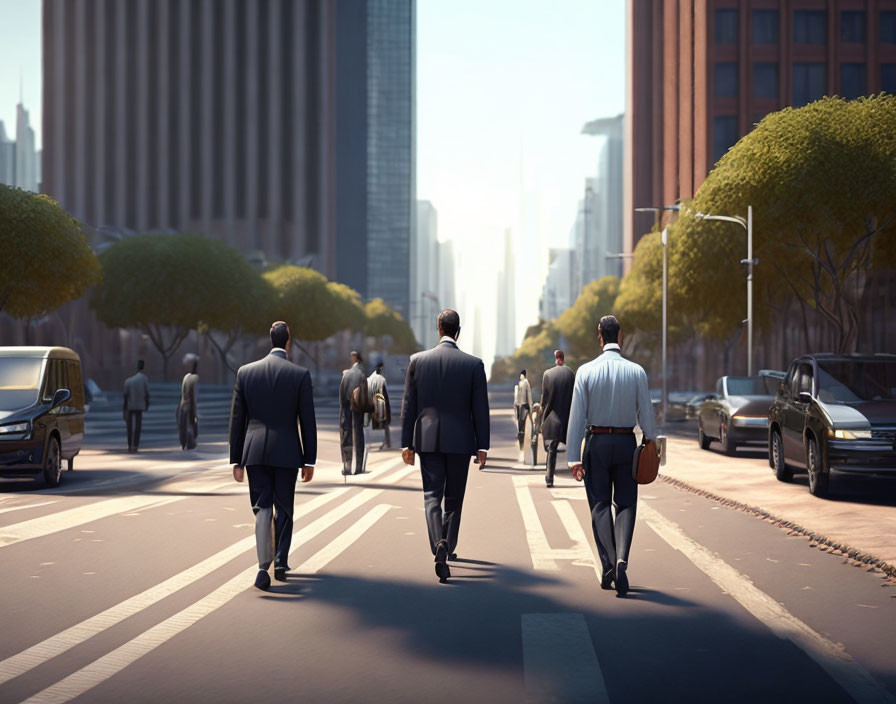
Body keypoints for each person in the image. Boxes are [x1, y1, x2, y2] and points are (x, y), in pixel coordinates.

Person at [567, 315, 657, 596]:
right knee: (627, 503)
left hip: (596, 443)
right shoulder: (637, 372)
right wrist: (651, 444)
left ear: (599, 335)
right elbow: (647, 416)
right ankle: (620, 561)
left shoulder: (585, 371)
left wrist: (573, 457)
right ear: (620, 336)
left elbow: (577, 416)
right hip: (627, 443)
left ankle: (608, 562)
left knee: (600, 505)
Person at [401, 309, 490, 583]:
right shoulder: (473, 365)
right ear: (458, 331)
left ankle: (437, 544)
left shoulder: (417, 361)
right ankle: (447, 547)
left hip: (427, 440)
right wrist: (482, 446)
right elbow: (480, 409)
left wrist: (407, 443)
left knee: (431, 496)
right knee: (454, 498)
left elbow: (409, 406)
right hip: (461, 441)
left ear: (438, 328)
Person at [229, 321, 317, 591]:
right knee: (285, 509)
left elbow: (237, 420)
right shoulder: (300, 374)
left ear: (270, 339)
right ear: (288, 341)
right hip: (287, 451)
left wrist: (236, 459)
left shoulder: (245, 373)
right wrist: (309, 459)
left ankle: (262, 566)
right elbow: (307, 421)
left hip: (254, 450)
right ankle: (280, 561)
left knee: (262, 508)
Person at [541, 349, 576, 488]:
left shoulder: (548, 374)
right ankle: (579, 474)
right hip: (568, 416)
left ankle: (549, 478)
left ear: (555, 358)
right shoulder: (571, 374)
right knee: (574, 447)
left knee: (552, 450)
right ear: (563, 358)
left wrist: (542, 420)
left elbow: (544, 400)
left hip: (553, 417)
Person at [339, 351, 367, 475]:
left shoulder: (346, 375)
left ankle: (347, 466)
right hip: (358, 411)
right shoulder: (362, 375)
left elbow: (341, 397)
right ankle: (359, 467)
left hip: (346, 410)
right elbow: (365, 397)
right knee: (359, 436)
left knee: (346, 437)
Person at [122, 360, 150, 453]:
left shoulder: (128, 381)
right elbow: (147, 394)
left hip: (130, 406)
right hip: (139, 406)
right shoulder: (144, 379)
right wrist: (147, 405)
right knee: (138, 426)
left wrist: (124, 409)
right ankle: (135, 445)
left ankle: (130, 445)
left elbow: (125, 397)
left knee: (129, 427)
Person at [367, 359, 392, 450]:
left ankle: (379, 443)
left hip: (373, 405)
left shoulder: (370, 378)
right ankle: (386, 443)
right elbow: (384, 396)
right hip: (380, 405)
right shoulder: (380, 379)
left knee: (375, 425)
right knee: (384, 425)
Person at [177, 355, 199, 450]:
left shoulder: (186, 377)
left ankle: (183, 443)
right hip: (190, 405)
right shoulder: (195, 378)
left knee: (183, 425)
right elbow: (193, 396)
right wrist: (195, 411)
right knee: (190, 424)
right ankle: (190, 442)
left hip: (183, 404)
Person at [514, 370, 532, 450]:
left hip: (523, 405)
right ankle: (522, 440)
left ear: (523, 375)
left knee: (522, 423)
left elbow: (528, 394)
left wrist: (530, 406)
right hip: (521, 405)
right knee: (521, 423)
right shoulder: (520, 383)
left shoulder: (525, 382)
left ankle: (522, 441)